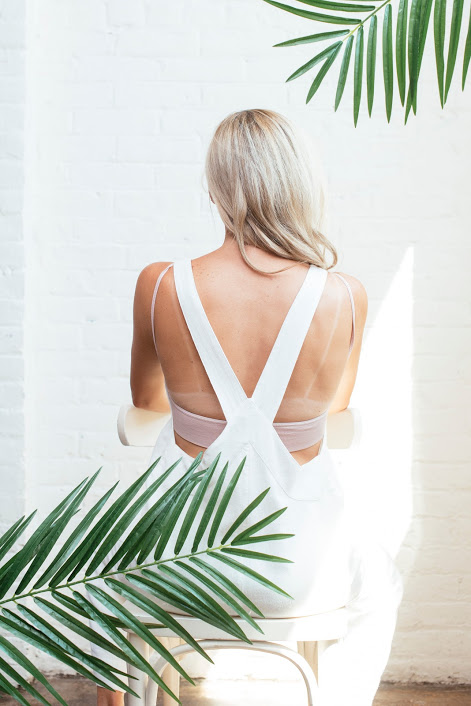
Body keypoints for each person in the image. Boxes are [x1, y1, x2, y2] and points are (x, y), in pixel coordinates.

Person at [93, 108, 403, 706]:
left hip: (173, 561)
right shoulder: (345, 295)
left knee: (98, 572)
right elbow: (334, 408)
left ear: (215, 189)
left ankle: (121, 698)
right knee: (379, 585)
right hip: (297, 568)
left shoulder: (161, 284)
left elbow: (145, 401)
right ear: (301, 186)